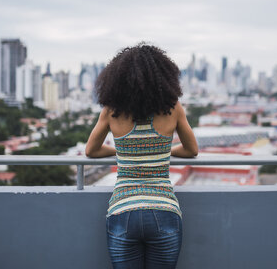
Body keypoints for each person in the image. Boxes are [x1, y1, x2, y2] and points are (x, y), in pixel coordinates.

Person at [85, 42, 198, 269]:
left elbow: (91, 150)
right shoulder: (173, 108)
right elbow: (191, 150)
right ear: (163, 77)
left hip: (122, 209)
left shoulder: (111, 111)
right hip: (164, 209)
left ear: (117, 79)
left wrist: (127, 151)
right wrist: (162, 152)